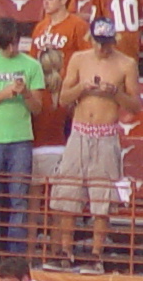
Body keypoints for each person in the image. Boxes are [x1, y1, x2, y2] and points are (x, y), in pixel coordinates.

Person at [52, 17, 138, 264]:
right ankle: (65, 251)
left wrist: (116, 93)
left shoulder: (126, 64)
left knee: (102, 198)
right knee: (68, 192)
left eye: (106, 43)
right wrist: (82, 88)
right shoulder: (79, 59)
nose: (102, 48)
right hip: (79, 132)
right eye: (98, 43)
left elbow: (135, 105)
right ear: (91, 40)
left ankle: (96, 253)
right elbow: (63, 98)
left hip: (106, 134)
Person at [0, 16, 45, 257]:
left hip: (21, 139)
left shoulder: (32, 65)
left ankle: (16, 254)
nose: (11, 49)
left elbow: (38, 108)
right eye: (6, 45)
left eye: (14, 43)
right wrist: (4, 93)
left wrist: (24, 94)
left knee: (18, 198)